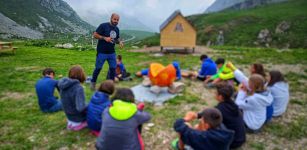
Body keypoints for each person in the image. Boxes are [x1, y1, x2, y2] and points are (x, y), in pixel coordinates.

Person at [91, 13, 124, 90]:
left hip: (111, 52)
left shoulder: (116, 29)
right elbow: (95, 35)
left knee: (113, 68)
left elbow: (116, 39)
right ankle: (93, 83)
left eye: (117, 20)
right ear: (111, 18)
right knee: (98, 68)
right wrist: (104, 38)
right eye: (114, 19)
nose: (116, 21)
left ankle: (111, 85)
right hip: (102, 52)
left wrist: (120, 42)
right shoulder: (103, 26)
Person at [215, 83, 246, 149]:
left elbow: (210, 116)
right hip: (241, 138)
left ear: (220, 97)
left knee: (212, 123)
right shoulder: (233, 104)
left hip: (232, 142)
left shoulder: (220, 108)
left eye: (216, 93)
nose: (214, 94)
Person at [58, 65, 87, 131]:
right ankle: (79, 125)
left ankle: (72, 124)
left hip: (69, 116)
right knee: (95, 110)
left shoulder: (63, 85)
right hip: (77, 118)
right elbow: (81, 108)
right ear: (81, 74)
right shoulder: (78, 88)